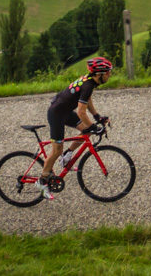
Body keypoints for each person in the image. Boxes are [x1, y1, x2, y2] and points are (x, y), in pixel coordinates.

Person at [38, 56, 113, 200]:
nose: (109, 75)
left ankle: (66, 156)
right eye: (108, 73)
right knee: (56, 150)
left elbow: (87, 100)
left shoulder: (90, 82)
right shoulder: (88, 85)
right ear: (99, 74)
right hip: (57, 114)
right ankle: (42, 182)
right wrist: (94, 126)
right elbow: (81, 112)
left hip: (64, 111)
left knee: (87, 131)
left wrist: (97, 118)